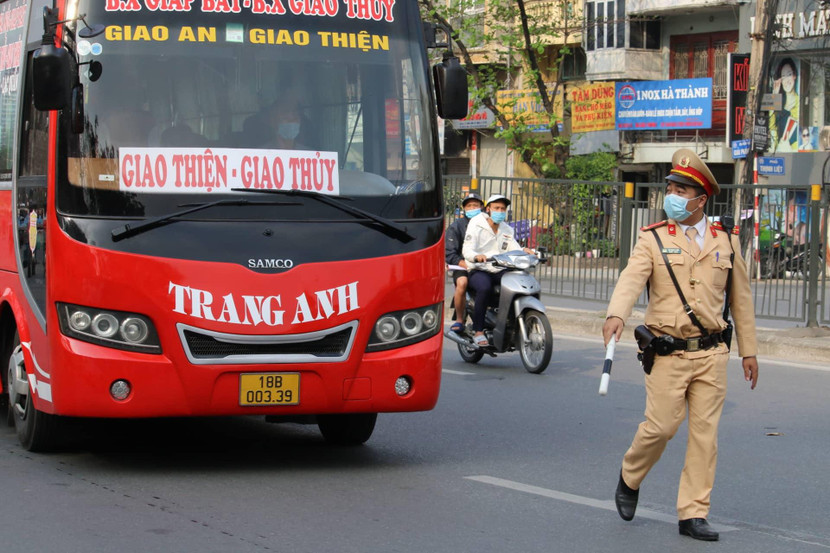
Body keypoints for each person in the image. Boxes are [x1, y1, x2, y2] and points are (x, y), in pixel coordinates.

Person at [602, 149, 759, 542]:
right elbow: (631, 279)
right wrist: (616, 314)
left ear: (700, 199)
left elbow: (740, 299)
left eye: (680, 190)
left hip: (711, 353)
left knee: (705, 436)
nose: (671, 195)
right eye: (670, 188)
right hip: (667, 352)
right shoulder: (653, 238)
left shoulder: (726, 240)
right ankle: (630, 475)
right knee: (661, 427)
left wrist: (749, 351)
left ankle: (693, 513)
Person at [462, 194, 534, 346]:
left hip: (499, 269)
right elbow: (467, 249)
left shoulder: (507, 229)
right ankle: (479, 331)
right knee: (484, 287)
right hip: (479, 269)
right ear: (488, 209)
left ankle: (509, 322)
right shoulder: (476, 223)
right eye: (496, 208)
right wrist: (476, 256)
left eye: (502, 209)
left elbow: (513, 247)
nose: (500, 211)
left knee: (517, 284)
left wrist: (524, 251)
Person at [445, 193, 484, 332]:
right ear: (464, 208)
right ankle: (459, 319)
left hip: (485, 264)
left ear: (481, 207)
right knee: (462, 283)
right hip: (462, 265)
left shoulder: (488, 224)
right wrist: (464, 264)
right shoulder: (456, 226)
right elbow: (449, 253)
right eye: (469, 206)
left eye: (475, 205)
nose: (472, 208)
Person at [769, 58, 799, 153]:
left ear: (794, 76)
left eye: (789, 74)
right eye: (783, 76)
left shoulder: (800, 102)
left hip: (794, 153)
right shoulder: (776, 99)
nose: (787, 80)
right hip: (777, 152)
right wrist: (774, 95)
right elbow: (770, 126)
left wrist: (790, 148)